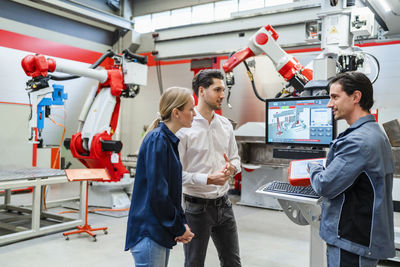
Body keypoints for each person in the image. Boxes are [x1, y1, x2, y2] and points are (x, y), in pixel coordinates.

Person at [307, 71, 395, 267]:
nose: (330, 104)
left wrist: (312, 167)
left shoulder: (358, 142)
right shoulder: (372, 131)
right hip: (358, 235)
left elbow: (325, 185)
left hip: (352, 239)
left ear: (356, 97)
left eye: (335, 97)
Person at [176, 69, 241, 267]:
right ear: (202, 91)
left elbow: (235, 159)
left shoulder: (225, 125)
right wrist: (207, 179)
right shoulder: (184, 127)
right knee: (194, 263)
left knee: (232, 262)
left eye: (224, 90)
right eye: (218, 89)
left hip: (224, 204)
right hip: (196, 209)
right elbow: (176, 175)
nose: (223, 95)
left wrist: (232, 169)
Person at [125, 87, 196, 267]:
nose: (194, 114)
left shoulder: (167, 140)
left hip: (158, 233)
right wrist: (178, 227)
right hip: (149, 232)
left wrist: (181, 225)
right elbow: (158, 193)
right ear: (176, 113)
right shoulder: (158, 140)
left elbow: (172, 190)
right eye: (191, 109)